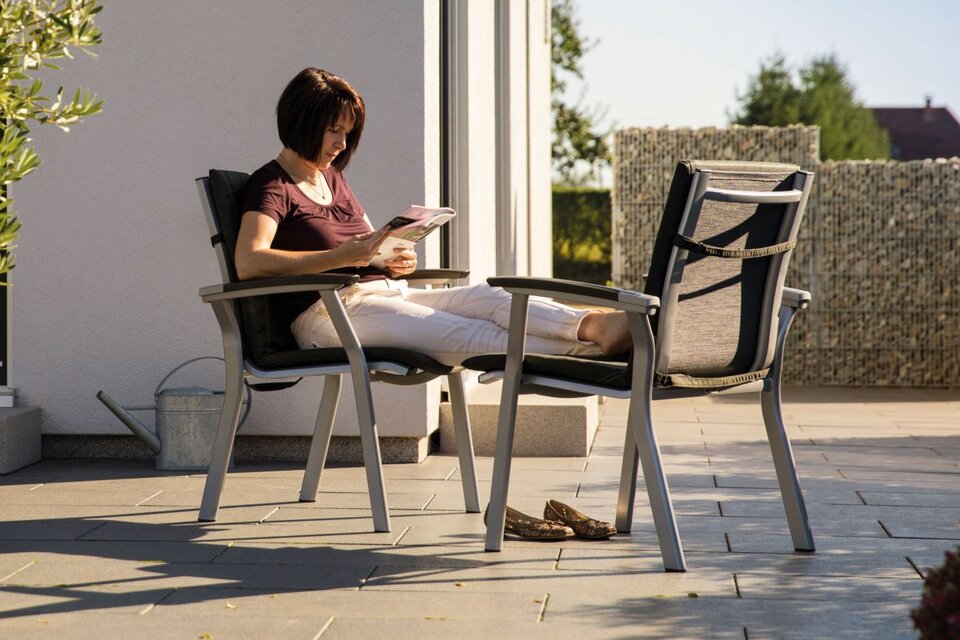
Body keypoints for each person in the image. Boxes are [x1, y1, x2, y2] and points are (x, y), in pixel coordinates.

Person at [235, 67, 631, 367]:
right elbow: (250, 261)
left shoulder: (333, 180)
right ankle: (592, 357)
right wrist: (340, 258)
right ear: (302, 122)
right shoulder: (272, 184)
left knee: (489, 298)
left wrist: (393, 259)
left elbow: (365, 249)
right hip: (328, 314)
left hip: (384, 296)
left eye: (347, 133)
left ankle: (594, 326)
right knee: (470, 334)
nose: (341, 144)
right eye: (333, 131)